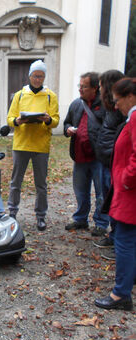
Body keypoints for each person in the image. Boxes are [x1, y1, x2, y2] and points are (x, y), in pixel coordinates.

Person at [94, 77, 136, 311]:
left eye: (118, 100)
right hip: (128, 191)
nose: (116, 105)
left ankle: (121, 294)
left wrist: (125, 180)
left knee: (125, 241)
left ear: (131, 96)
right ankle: (128, 281)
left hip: (130, 194)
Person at [7, 60, 59, 231]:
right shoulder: (20, 95)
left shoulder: (50, 95)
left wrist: (48, 120)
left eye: (41, 76)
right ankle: (12, 212)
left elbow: (56, 120)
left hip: (40, 146)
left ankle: (41, 216)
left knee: (41, 184)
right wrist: (17, 120)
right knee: (16, 182)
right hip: (21, 144)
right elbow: (10, 119)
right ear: (29, 75)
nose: (38, 79)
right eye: (36, 75)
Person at [64, 72, 109, 236]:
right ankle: (81, 219)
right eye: (79, 86)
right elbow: (67, 122)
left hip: (98, 158)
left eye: (84, 86)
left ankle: (101, 223)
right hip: (79, 156)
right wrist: (67, 129)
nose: (80, 89)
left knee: (101, 192)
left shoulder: (105, 106)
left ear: (95, 88)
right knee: (80, 191)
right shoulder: (76, 104)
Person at [93, 70, 126, 260]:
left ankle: (120, 242)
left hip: (114, 162)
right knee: (110, 201)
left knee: (116, 202)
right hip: (106, 161)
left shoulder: (121, 108)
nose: (99, 88)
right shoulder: (110, 107)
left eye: (101, 84)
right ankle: (114, 236)